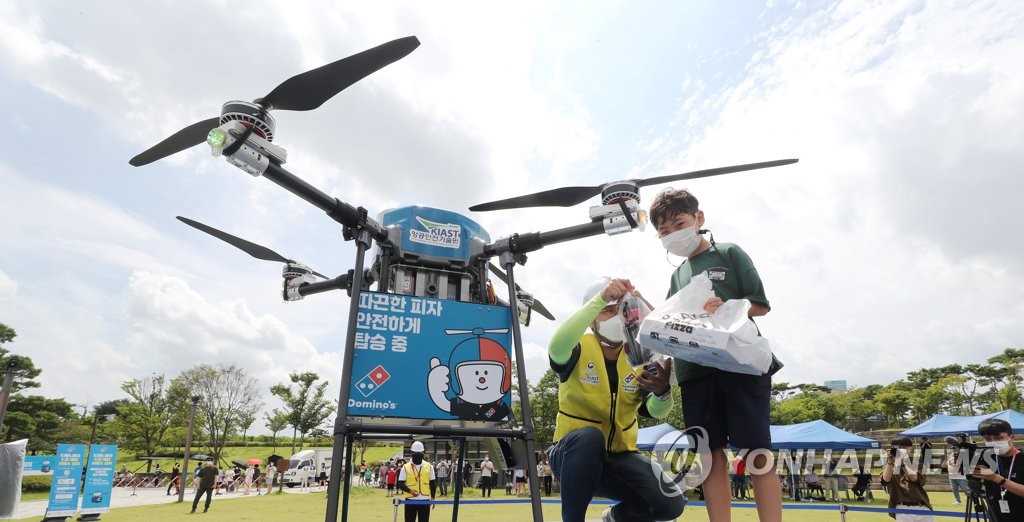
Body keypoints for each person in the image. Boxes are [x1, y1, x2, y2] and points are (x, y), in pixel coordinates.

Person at [650, 188, 782, 521]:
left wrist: (728, 307)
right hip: (695, 371)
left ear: (699, 219)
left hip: (740, 365)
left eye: (678, 223)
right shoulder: (677, 275)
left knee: (756, 452)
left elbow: (760, 305)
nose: (673, 235)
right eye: (664, 232)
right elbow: (667, 322)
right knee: (709, 456)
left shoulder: (729, 253)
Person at [546, 277, 685, 522]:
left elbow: (654, 411)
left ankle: (614, 517)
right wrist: (600, 297)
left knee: (671, 504)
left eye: (620, 312)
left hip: (620, 459)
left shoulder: (641, 356)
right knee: (589, 436)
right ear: (591, 320)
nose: (615, 318)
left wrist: (662, 393)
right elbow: (556, 347)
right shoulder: (577, 347)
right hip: (572, 456)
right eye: (607, 311)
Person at [971, 418, 1024, 521]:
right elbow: (953, 467)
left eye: (999, 438)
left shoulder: (1021, 459)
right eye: (988, 439)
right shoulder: (985, 457)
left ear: (1011, 437)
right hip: (996, 517)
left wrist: (997, 479)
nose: (994, 442)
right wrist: (954, 460)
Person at [881, 436, 933, 521]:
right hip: (902, 507)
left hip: (922, 506)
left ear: (910, 448)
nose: (899, 450)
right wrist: (890, 461)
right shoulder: (890, 466)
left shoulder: (917, 463)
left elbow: (916, 479)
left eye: (902, 447)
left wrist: (902, 463)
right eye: (896, 447)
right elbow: (885, 480)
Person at [397, 441, 436, 522]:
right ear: (411, 453)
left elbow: (433, 483)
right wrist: (410, 491)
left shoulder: (429, 466)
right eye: (415, 454)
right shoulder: (405, 467)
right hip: (410, 500)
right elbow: (400, 483)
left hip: (425, 500)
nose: (417, 456)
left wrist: (433, 497)